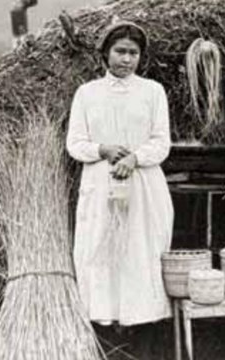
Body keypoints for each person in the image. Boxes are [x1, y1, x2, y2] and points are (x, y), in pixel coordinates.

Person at [66, 21, 173, 330]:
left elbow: (160, 141)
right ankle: (104, 322)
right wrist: (103, 149)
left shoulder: (153, 92)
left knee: (139, 247)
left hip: (142, 184)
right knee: (101, 245)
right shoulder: (87, 94)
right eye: (120, 52)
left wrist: (135, 158)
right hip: (101, 182)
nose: (126, 60)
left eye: (133, 53)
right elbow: (75, 143)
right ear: (105, 53)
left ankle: (141, 321)